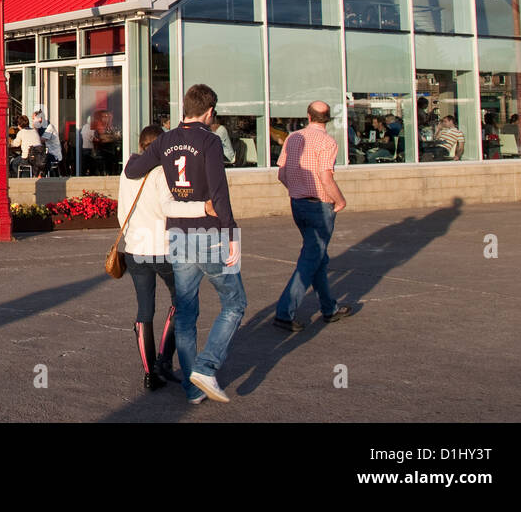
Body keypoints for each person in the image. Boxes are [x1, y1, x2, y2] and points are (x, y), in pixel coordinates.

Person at [124, 83, 245, 405]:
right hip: (208, 234)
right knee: (234, 303)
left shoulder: (165, 139)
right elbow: (219, 193)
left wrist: (158, 159)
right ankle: (205, 367)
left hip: (177, 235)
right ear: (209, 111)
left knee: (188, 312)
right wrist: (232, 233)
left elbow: (133, 169)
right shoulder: (209, 140)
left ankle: (193, 389)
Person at [119, 125, 211, 390]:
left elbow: (122, 210)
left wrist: (131, 233)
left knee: (144, 311)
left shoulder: (127, 172)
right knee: (181, 303)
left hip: (135, 248)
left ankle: (150, 374)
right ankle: (164, 361)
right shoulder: (161, 173)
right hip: (162, 247)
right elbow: (168, 208)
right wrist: (203, 208)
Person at [273, 101, 353, 331]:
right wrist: (340, 200)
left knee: (318, 257)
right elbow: (325, 177)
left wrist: (296, 189)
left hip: (298, 203)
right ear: (327, 118)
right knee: (310, 259)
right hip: (319, 206)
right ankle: (284, 312)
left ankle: (329, 308)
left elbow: (282, 173)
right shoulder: (328, 142)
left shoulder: (293, 137)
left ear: (308, 116)